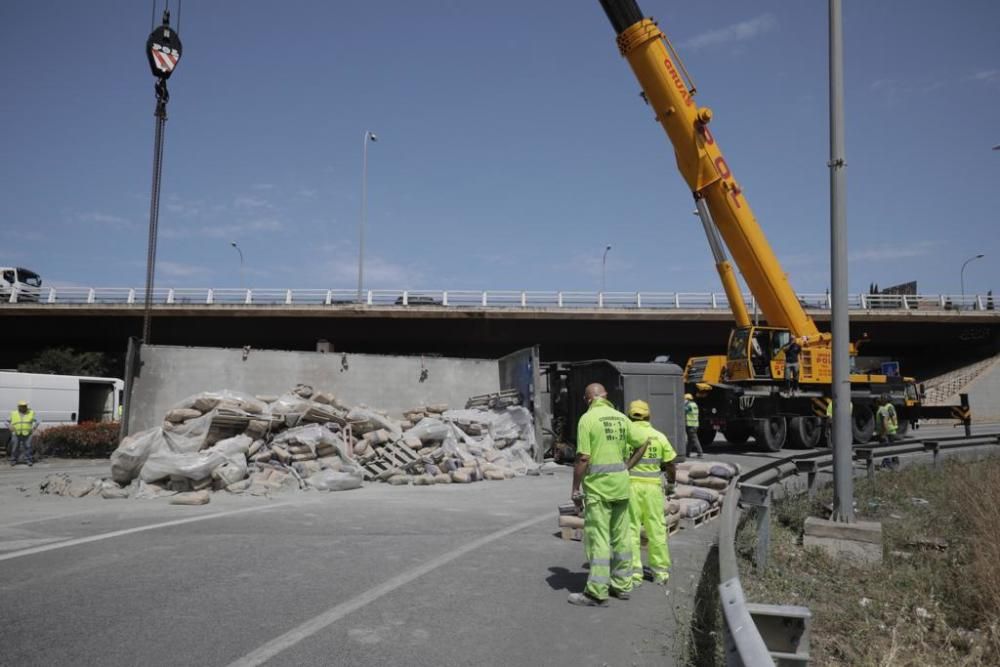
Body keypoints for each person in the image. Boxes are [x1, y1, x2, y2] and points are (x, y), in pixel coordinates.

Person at [568, 383, 637, 607]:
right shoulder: (621, 417)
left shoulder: (587, 420)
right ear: (605, 396)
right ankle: (622, 586)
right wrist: (628, 466)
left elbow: (583, 458)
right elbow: (643, 441)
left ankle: (597, 592)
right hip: (621, 487)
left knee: (599, 539)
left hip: (599, 490)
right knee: (621, 537)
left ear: (588, 400)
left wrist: (575, 487)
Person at [625, 400, 677, 587]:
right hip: (653, 489)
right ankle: (660, 573)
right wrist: (671, 483)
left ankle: (634, 573)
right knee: (656, 529)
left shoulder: (626, 436)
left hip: (630, 488)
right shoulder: (659, 437)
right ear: (649, 416)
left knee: (631, 529)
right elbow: (670, 463)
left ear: (629, 416)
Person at [7, 400, 38, 467]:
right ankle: (13, 461)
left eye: (25, 406)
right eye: (22, 406)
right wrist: (10, 426)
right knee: (15, 448)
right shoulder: (13, 413)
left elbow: (38, 420)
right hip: (16, 433)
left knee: (28, 447)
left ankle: (29, 460)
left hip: (27, 434)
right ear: (19, 407)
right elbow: (7, 422)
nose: (24, 407)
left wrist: (34, 428)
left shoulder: (31, 413)